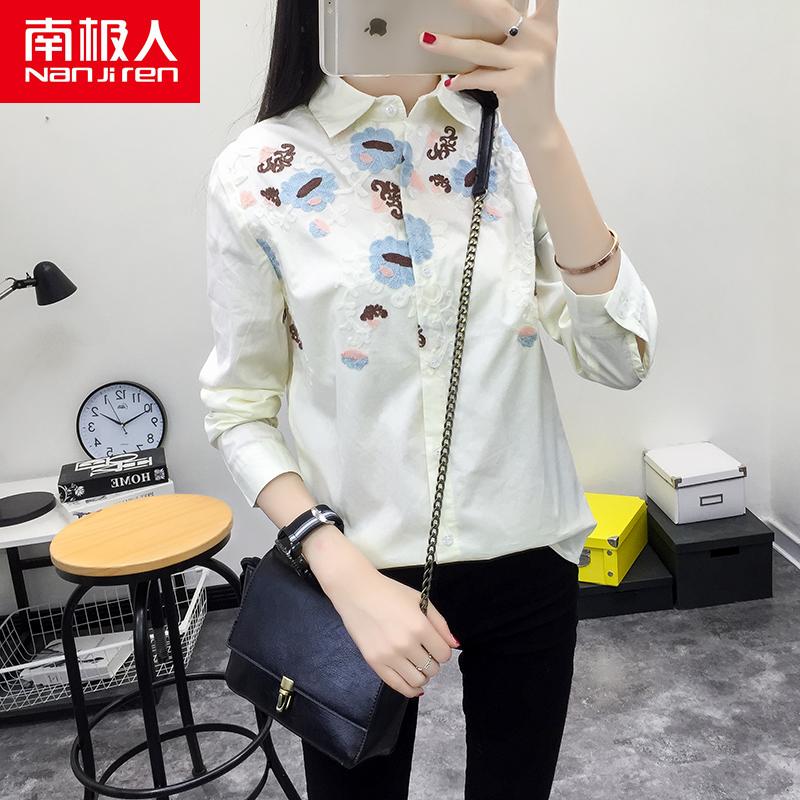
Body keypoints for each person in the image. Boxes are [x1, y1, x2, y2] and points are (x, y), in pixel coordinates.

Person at [198, 0, 658, 797]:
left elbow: (619, 360)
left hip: (528, 556)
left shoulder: (514, 144)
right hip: (355, 569)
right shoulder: (257, 171)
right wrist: (339, 572)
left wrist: (545, 134)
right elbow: (239, 407)